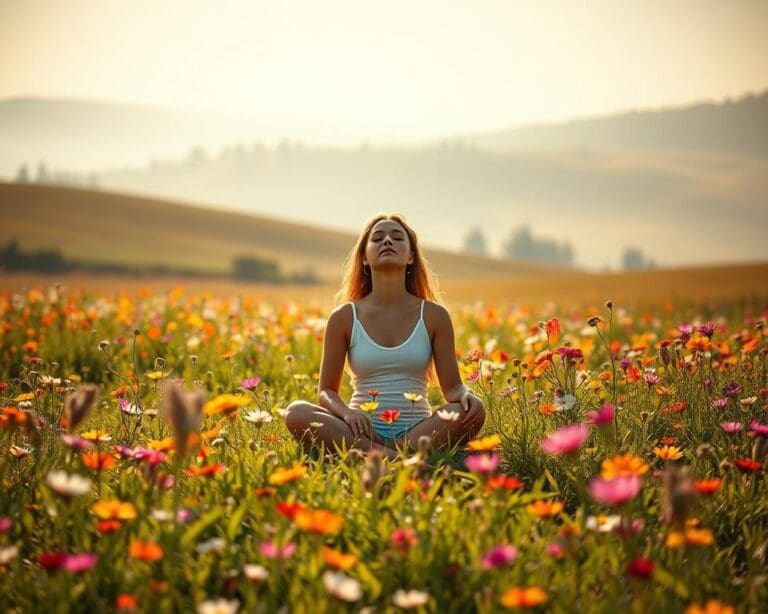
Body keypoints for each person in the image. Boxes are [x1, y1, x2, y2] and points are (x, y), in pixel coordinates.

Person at [284, 214, 485, 462]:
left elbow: (453, 388)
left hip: (417, 433)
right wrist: (347, 414)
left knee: (471, 411)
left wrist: (467, 395)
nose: (387, 241)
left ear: (411, 256)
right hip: (360, 432)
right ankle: (403, 461)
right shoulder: (344, 317)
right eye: (377, 238)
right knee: (296, 412)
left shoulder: (435, 315)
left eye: (397, 237)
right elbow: (326, 391)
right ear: (364, 258)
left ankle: (381, 456)